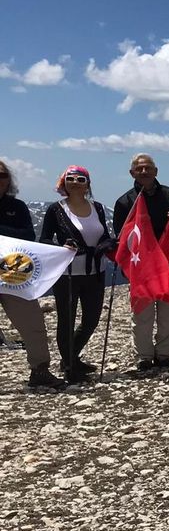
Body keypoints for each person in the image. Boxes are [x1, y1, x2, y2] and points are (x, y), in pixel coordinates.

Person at [39, 165, 114, 383]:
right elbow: (44, 239)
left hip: (95, 271)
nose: (75, 183)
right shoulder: (56, 209)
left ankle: (70, 356)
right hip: (67, 274)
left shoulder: (97, 208)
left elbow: (104, 234)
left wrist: (107, 243)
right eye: (70, 179)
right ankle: (71, 365)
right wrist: (62, 247)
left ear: (87, 185)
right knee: (67, 319)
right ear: (63, 183)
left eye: (80, 179)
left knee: (91, 319)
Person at [112, 153, 169, 371]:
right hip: (141, 266)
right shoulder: (125, 202)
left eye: (148, 168)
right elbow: (121, 237)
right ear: (132, 173)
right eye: (139, 168)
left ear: (156, 171)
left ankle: (164, 354)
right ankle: (143, 355)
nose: (144, 172)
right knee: (142, 314)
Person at [0, 160, 66, 388]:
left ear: (8, 180)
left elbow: (28, 236)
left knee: (33, 323)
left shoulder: (17, 207)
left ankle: (40, 370)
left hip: (13, 274)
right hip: (14, 270)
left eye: (2, 175)